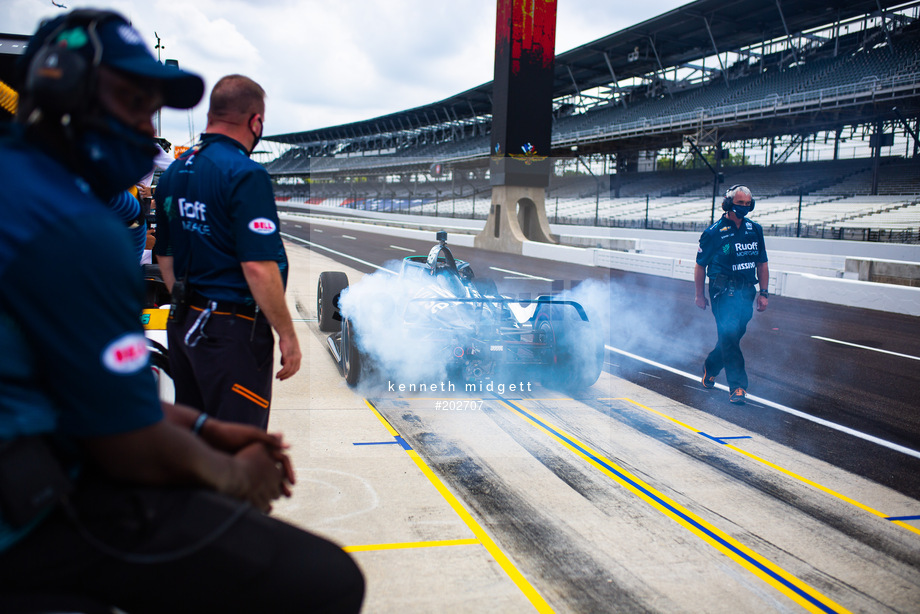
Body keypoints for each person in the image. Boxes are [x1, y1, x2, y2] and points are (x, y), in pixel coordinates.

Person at [0, 10, 363, 613]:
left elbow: (161, 266)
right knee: (323, 581)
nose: (146, 124)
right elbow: (125, 443)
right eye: (132, 99)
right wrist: (236, 470)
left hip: (185, 322)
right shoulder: (73, 225)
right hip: (29, 515)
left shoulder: (162, 176)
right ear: (61, 90)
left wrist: (201, 428)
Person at [155, 74, 301, 429]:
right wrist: (287, 334)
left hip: (184, 324)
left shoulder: (175, 170)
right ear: (256, 122)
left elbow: (166, 256)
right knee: (239, 446)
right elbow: (257, 266)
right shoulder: (245, 173)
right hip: (231, 335)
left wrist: (188, 304)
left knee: (197, 440)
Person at [694, 184, 769, 405]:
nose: (744, 208)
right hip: (722, 291)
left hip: (747, 292)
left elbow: (762, 264)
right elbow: (700, 266)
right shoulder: (713, 232)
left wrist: (764, 293)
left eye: (748, 204)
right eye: (740, 204)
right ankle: (737, 387)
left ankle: (711, 365)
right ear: (729, 204)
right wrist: (699, 295)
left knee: (733, 336)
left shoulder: (755, 229)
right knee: (728, 334)